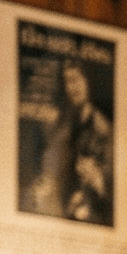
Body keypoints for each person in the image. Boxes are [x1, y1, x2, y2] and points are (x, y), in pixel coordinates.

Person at [21, 59, 112, 226]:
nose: (73, 86)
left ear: (88, 81)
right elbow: (52, 168)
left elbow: (109, 188)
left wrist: (96, 180)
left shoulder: (102, 129)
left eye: (77, 78)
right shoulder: (63, 124)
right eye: (68, 81)